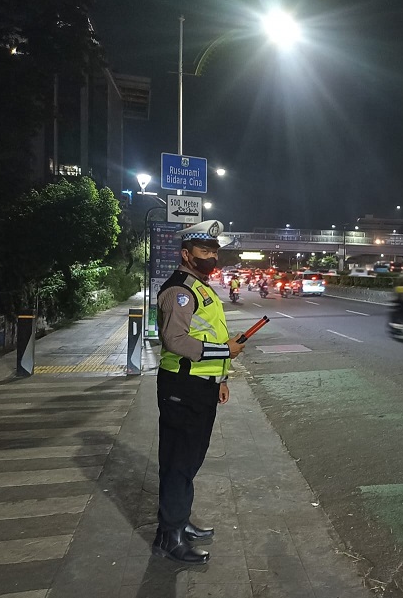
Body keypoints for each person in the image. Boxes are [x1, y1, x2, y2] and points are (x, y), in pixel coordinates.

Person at [153, 219, 245, 565]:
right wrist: (226, 353)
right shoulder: (180, 290)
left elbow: (206, 334)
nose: (211, 256)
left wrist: (220, 379)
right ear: (186, 254)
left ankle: (179, 521)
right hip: (182, 387)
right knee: (178, 462)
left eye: (214, 251)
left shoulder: (200, 286)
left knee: (188, 460)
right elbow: (174, 341)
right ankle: (169, 537)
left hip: (200, 386)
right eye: (204, 250)